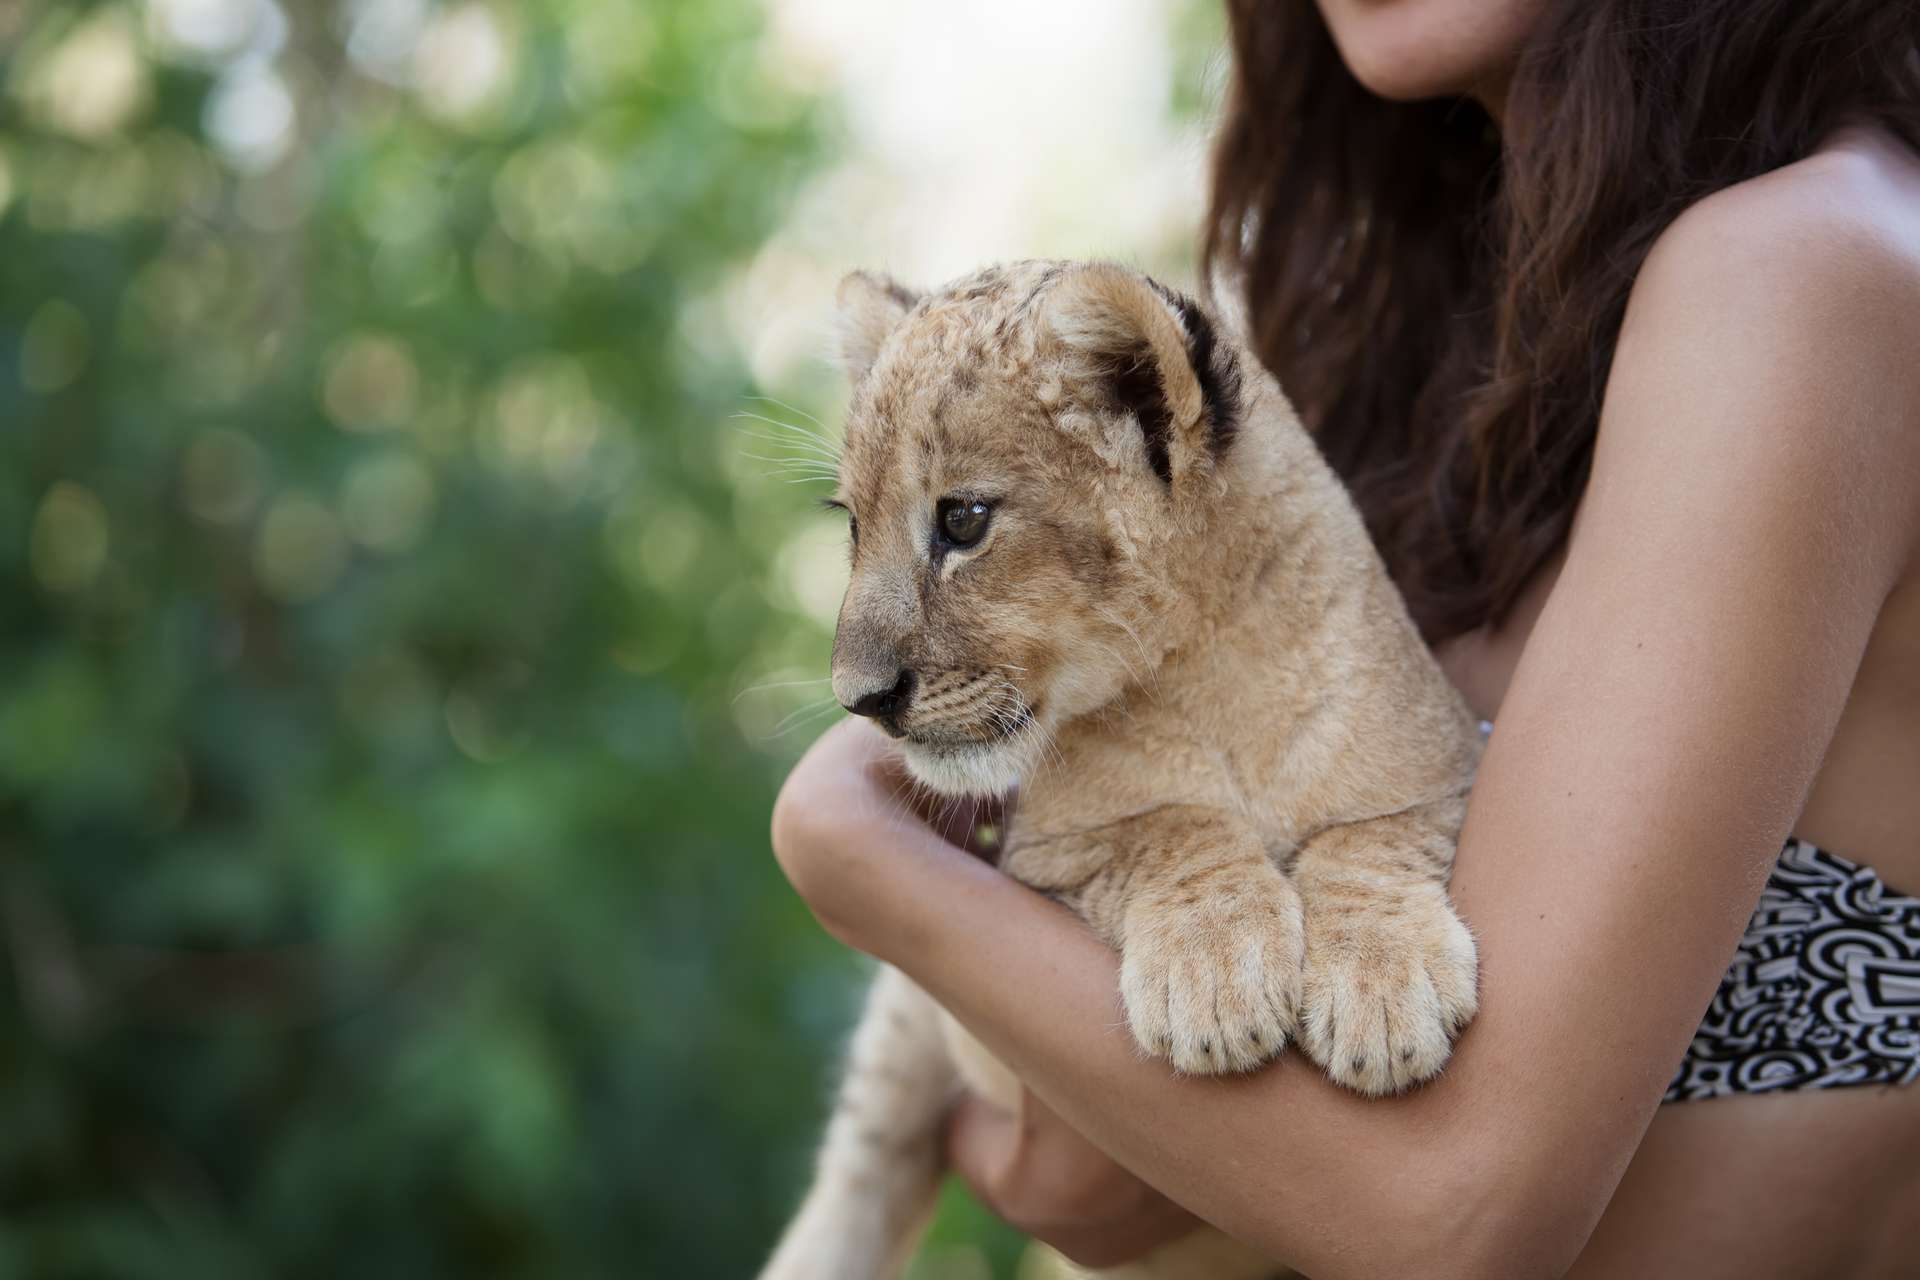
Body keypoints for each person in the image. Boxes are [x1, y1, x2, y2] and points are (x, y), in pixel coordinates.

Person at [770, 2, 1920, 1275]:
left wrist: (859, 855)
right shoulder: (1402, 331)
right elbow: (1068, 1171)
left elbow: (1451, 1213)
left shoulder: (1805, 269)